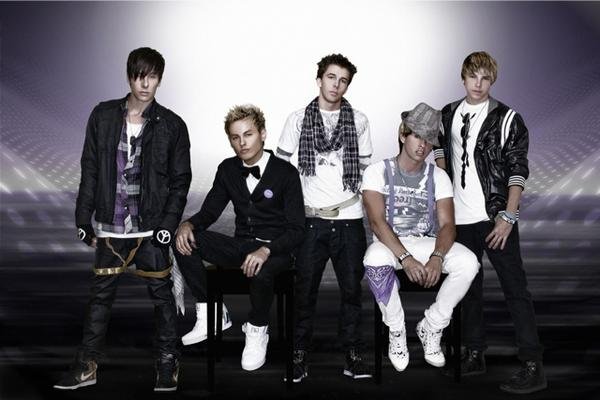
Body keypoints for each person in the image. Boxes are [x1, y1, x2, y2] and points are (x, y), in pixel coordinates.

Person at [54, 47, 191, 392]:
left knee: (162, 298)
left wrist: (167, 225)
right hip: (110, 226)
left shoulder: (172, 125)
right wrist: (82, 218)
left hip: (151, 227)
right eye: (139, 76)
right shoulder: (102, 116)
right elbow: (89, 169)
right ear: (129, 77)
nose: (145, 84)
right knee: (99, 300)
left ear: (160, 79)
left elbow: (180, 181)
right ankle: (87, 367)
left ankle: (167, 362)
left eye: (152, 77)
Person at [436, 51, 546, 394]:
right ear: (463, 77)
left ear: (492, 80)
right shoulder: (448, 114)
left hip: (495, 217)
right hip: (460, 221)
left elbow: (517, 169)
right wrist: (445, 197)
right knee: (468, 289)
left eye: (485, 78)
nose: (479, 84)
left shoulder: (508, 118)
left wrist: (508, 216)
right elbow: (440, 150)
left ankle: (533, 365)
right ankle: (474, 353)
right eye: (473, 76)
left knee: (515, 290)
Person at [174, 104, 304, 371]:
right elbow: (209, 212)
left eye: (248, 134)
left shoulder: (286, 173)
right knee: (185, 239)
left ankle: (257, 329)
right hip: (242, 246)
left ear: (263, 134)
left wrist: (266, 250)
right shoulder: (228, 169)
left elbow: (297, 230)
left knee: (262, 270)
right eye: (235, 137)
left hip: (277, 251)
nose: (242, 143)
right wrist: (187, 224)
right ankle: (211, 312)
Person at [276, 53, 373, 382]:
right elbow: (282, 170)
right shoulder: (297, 120)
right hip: (310, 220)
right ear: (319, 80)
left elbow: (364, 169)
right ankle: (299, 355)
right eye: (331, 77)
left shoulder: (359, 121)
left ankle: (353, 355)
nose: (336, 85)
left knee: (352, 292)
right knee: (304, 293)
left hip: (349, 218)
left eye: (343, 80)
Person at [361, 102, 478, 372]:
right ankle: (396, 330)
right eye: (417, 136)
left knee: (469, 262)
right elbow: (377, 223)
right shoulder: (377, 172)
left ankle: (432, 325)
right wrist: (406, 258)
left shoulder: (438, 176)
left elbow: (447, 225)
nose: (423, 145)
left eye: (428, 139)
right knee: (374, 261)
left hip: (425, 242)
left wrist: (437, 257)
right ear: (403, 135)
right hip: (390, 245)